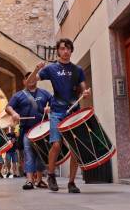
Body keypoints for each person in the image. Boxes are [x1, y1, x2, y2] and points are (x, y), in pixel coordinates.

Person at [26, 38, 91, 193]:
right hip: (56, 111)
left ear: (71, 50)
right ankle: (51, 175)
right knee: (56, 144)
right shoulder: (52, 69)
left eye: (68, 48)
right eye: (62, 48)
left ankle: (71, 182)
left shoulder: (78, 70)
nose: (65, 51)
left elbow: (83, 88)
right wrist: (36, 69)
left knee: (75, 148)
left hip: (73, 110)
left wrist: (86, 92)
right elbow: (29, 83)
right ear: (58, 50)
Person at [5, 72, 51, 190]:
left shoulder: (44, 93)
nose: (30, 80)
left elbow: (54, 103)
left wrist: (49, 108)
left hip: (42, 130)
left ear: (36, 79)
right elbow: (8, 107)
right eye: (27, 78)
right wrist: (14, 113)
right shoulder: (18, 95)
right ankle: (30, 180)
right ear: (24, 81)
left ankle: (39, 180)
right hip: (27, 130)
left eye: (33, 77)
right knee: (28, 154)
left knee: (41, 155)